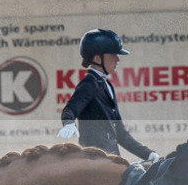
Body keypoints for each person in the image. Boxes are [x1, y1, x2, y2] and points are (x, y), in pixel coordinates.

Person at [57, 29, 161, 163]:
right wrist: (68, 123)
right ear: (97, 58)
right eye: (113, 55)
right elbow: (70, 109)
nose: (117, 59)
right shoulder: (89, 83)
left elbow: (121, 134)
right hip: (95, 161)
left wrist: (148, 154)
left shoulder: (108, 86)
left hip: (111, 160)